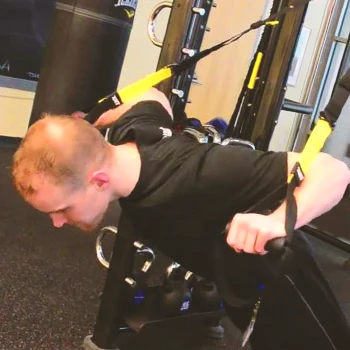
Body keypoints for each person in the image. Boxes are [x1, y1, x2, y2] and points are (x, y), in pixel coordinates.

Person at [12, 88, 350, 349]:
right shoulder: (130, 132)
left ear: (98, 180)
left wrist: (278, 221)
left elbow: (333, 171)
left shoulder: (197, 173)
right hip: (242, 291)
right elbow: (151, 95)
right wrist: (96, 120)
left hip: (286, 291)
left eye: (62, 209)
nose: (57, 223)